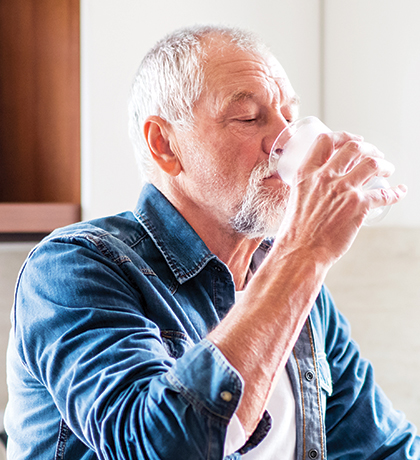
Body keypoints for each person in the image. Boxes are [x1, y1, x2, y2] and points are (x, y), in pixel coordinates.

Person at [4, 24, 418, 460]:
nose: (284, 142)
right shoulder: (73, 268)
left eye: (289, 118)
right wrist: (304, 251)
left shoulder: (301, 291)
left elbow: (382, 448)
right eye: (248, 117)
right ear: (164, 145)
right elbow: (159, 447)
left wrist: (300, 260)